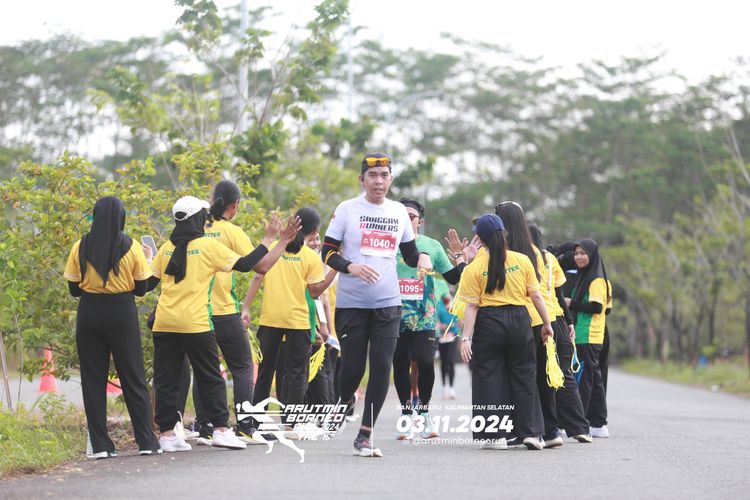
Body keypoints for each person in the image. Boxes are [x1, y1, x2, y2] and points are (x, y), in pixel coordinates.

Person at [147, 196, 300, 452]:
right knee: (210, 377)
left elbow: (146, 284)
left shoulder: (166, 249)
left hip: (164, 323)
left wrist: (146, 259)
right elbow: (246, 264)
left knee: (166, 379)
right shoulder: (207, 246)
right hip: (195, 323)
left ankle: (166, 435)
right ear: (198, 218)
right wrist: (269, 238)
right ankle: (220, 430)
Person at [321, 152, 432, 457]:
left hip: (388, 303)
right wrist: (350, 267)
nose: (378, 181)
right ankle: (345, 398)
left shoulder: (398, 212)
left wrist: (422, 257)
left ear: (391, 179)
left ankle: (365, 435)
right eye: (372, 175)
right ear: (362, 180)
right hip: (352, 304)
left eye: (384, 175)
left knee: (382, 366)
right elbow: (327, 253)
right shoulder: (347, 209)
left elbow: (410, 254)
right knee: (352, 371)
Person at [182, 179, 289, 444]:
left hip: (197, 311)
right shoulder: (232, 231)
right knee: (242, 366)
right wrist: (282, 240)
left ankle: (204, 425)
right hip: (224, 310)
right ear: (235, 205)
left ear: (212, 199)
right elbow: (261, 266)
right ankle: (245, 425)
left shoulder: (196, 227)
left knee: (204, 368)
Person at [64, 196, 162, 458]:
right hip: (122, 314)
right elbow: (141, 289)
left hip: (90, 313)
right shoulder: (132, 247)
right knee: (133, 376)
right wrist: (148, 259)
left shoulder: (80, 246)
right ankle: (146, 441)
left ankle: (100, 446)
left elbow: (74, 290)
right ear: (121, 217)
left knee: (92, 380)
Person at [459, 214, 553, 451]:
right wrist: (547, 323)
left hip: (489, 322)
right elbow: (536, 296)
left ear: (480, 239)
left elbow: (472, 306)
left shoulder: (474, 268)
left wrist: (466, 337)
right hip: (520, 320)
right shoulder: (522, 260)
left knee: (489, 376)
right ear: (504, 234)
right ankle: (531, 433)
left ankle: (496, 436)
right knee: (525, 373)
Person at [242, 207, 337, 411]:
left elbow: (257, 276)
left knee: (265, 371)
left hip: (271, 319)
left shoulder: (274, 247)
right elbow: (315, 292)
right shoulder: (310, 256)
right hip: (298, 322)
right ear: (315, 231)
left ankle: (257, 420)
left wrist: (246, 307)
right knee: (297, 374)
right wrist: (333, 271)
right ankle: (292, 423)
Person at [393, 198, 468, 440]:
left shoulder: (431, 245)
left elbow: (454, 278)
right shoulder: (388, 244)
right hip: (393, 315)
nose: (407, 219)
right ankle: (406, 415)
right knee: (400, 364)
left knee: (425, 362)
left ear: (420, 221)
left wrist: (460, 257)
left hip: (424, 317)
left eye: (411, 216)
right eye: (402, 215)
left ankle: (424, 412)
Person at [495, 201, 558, 447]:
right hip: (540, 317)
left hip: (516, 318)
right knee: (536, 377)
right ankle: (546, 431)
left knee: (518, 378)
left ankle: (525, 430)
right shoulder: (534, 252)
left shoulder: (503, 253)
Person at [528, 222, 592, 444]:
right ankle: (580, 428)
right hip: (558, 321)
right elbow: (558, 293)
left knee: (540, 376)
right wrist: (569, 321)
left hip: (538, 321)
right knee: (563, 375)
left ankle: (549, 430)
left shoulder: (521, 258)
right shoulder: (549, 258)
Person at [565, 238, 611, 438]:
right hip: (584, 335)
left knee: (584, 380)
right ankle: (598, 423)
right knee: (595, 380)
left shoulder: (597, 280)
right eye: (576, 253)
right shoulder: (584, 277)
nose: (579, 257)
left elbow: (598, 308)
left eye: (583, 253)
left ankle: (580, 424)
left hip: (589, 335)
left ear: (592, 255)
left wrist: (571, 303)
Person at [437, 293, 460, 399]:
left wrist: (451, 325)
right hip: (442, 336)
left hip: (452, 335)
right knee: (443, 362)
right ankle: (444, 387)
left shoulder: (455, 304)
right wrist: (440, 325)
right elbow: (435, 318)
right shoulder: (439, 304)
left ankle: (451, 387)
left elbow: (458, 318)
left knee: (451, 361)